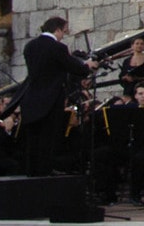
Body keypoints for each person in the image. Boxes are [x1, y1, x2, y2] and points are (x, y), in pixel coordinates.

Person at [16, 15, 98, 175]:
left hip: (31, 97)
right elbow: (74, 67)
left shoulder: (30, 46)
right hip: (50, 98)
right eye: (64, 31)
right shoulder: (57, 47)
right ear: (58, 29)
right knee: (48, 135)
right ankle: (45, 171)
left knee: (33, 138)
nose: (63, 35)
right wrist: (87, 65)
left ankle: (32, 171)